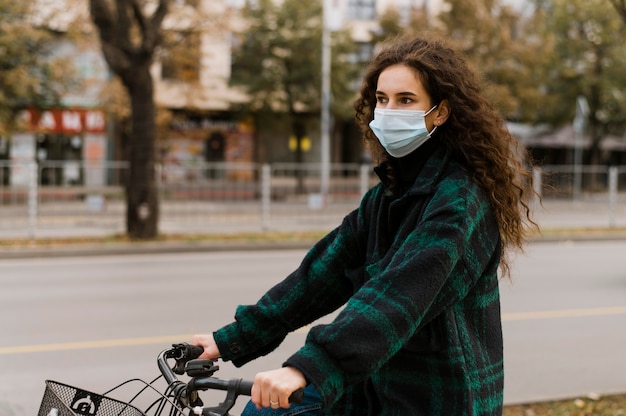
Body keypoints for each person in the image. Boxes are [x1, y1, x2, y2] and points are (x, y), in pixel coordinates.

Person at [192, 33, 537, 415]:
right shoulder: (387, 196)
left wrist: (311, 366)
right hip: (381, 386)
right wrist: (232, 339)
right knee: (265, 410)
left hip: (439, 396)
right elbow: (323, 273)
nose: (389, 111)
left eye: (406, 100)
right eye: (382, 100)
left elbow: (401, 293)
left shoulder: (460, 200)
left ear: (440, 112)